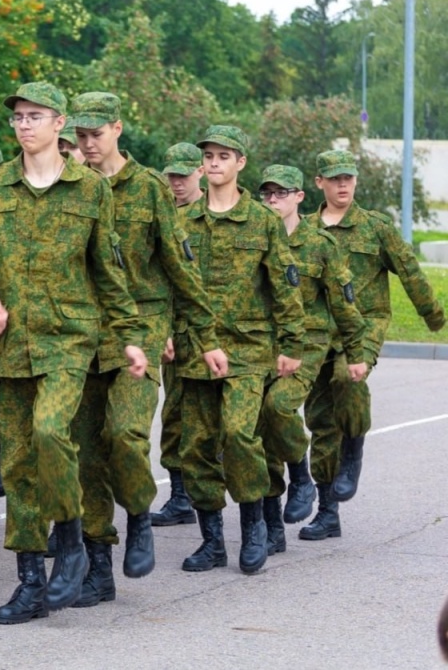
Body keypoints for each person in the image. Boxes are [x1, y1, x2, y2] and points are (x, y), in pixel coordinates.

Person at [0, 81, 148, 624]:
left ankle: (70, 540)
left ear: (59, 123)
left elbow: (107, 271)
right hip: (12, 347)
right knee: (17, 465)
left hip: (69, 339)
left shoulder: (91, 190)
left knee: (49, 432)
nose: (24, 125)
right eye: (18, 117)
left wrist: (130, 334)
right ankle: (29, 583)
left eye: (34, 116)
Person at [68, 92, 225, 603]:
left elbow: (180, 266)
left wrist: (204, 337)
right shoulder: (70, 187)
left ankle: (137, 514)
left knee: (125, 433)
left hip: (141, 326)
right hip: (83, 330)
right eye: (80, 136)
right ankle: (98, 567)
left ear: (117, 129)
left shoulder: (150, 188)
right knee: (85, 453)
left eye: (96, 134)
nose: (87, 144)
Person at [175, 125, 305, 576]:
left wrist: (292, 343)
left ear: (240, 163)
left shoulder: (262, 221)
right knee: (195, 447)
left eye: (223, 156)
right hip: (195, 350)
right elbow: (171, 283)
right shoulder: (182, 221)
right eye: (208, 156)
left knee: (237, 435)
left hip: (248, 350)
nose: (214, 164)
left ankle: (254, 528)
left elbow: (285, 285)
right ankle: (212, 540)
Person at [301, 149, 445, 538]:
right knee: (320, 418)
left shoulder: (374, 227)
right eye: (335, 178)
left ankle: (354, 447)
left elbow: (409, 270)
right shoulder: (304, 230)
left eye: (348, 178)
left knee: (347, 378)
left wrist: (434, 317)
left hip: (364, 325)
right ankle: (328, 511)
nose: (342, 184)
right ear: (319, 183)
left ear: (355, 181)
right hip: (318, 331)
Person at [254, 164, 372, 554]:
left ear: (299, 197)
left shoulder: (320, 244)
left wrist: (356, 354)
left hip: (308, 342)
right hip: (260, 343)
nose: (273, 200)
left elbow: (345, 305)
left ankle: (303, 478)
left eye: (281, 193)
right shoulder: (254, 239)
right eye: (267, 193)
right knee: (259, 431)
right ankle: (272, 525)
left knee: (280, 406)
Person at [151, 142, 206, 528]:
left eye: (183, 176)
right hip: (174, 330)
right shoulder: (160, 214)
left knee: (216, 420)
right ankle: (181, 496)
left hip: (211, 331)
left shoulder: (214, 214)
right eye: (171, 176)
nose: (176, 183)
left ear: (199, 172)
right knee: (174, 415)